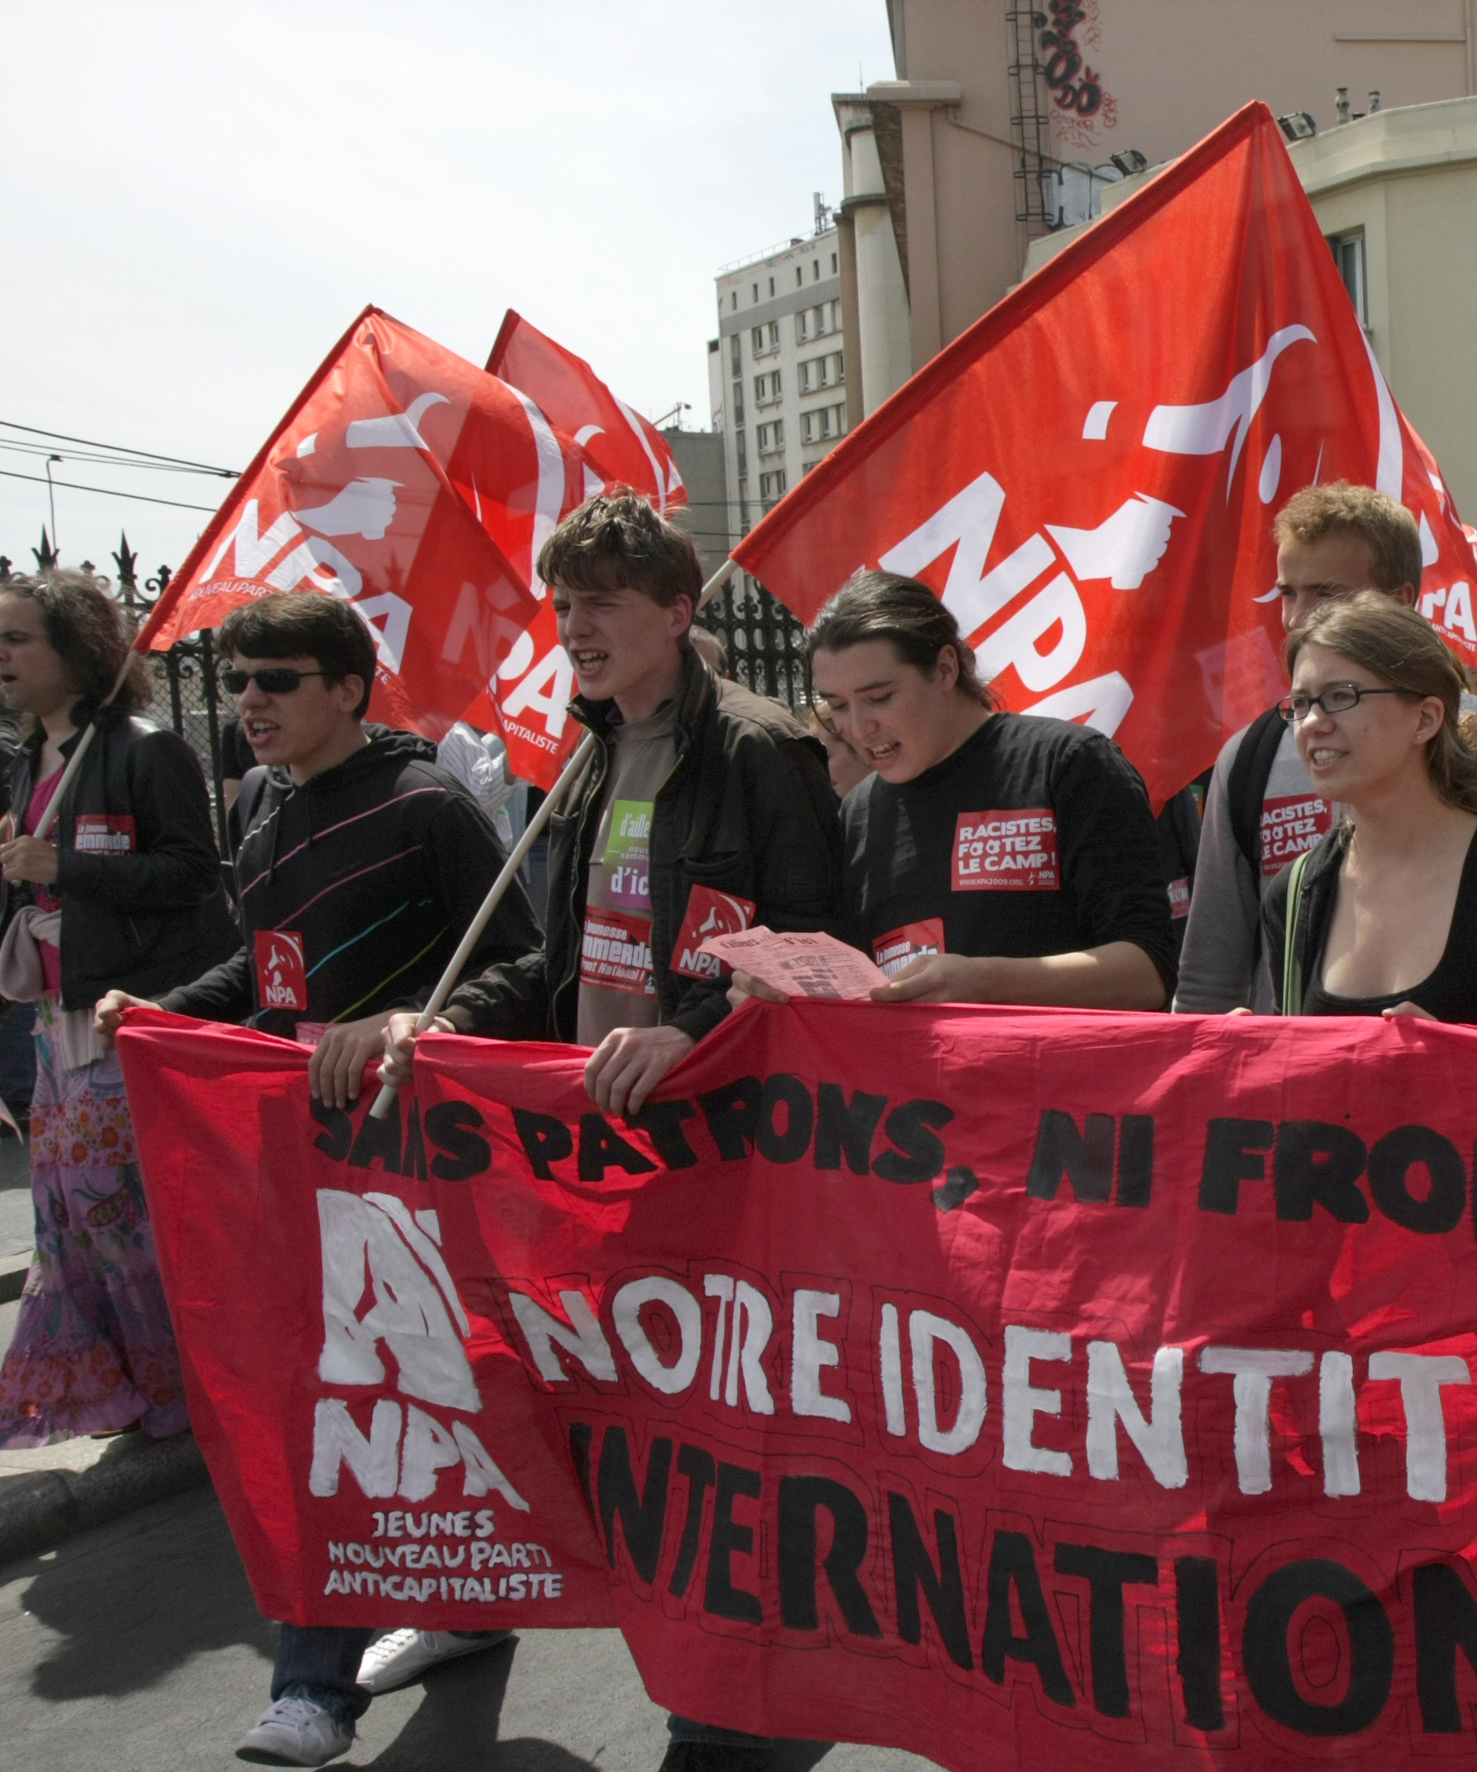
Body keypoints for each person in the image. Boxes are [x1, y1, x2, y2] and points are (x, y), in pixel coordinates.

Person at [376, 492, 839, 1772]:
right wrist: (444, 1021)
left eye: (602, 604)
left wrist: (692, 1029)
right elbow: (556, 960)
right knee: (633, 1431)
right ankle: (714, 1675)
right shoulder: (586, 756)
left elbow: (813, 951)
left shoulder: (759, 750)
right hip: (602, 1157)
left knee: (724, 1432)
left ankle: (728, 1706)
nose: (575, 627)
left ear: (679, 612)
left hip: (725, 1155)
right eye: (564, 604)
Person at [92, 591, 540, 1767]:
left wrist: (407, 1020)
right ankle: (442, 1611)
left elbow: (522, 962)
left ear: (348, 688)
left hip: (411, 1163)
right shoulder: (258, 806)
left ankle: (316, 1689)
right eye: (239, 678)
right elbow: (268, 971)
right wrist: (161, 1011)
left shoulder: (425, 803)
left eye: (278, 678)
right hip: (298, 1161)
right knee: (357, 1402)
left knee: (371, 1401)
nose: (250, 700)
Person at [0, 570, 232, 1448]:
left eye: (17, 638)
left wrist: (66, 868)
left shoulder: (145, 749)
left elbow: (195, 875)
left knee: (115, 1210)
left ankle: (181, 1388)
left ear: (76, 648)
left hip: (123, 1014)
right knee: (64, 1214)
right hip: (52, 1020)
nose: (1, 656)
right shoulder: (26, 762)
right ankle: (116, 1389)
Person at [1174, 483, 1477, 1011]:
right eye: (1287, 593)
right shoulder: (1249, 759)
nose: (1298, 617)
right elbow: (1208, 977)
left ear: (1400, 602)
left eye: (1326, 594)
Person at [775, 570, 1175, 1009]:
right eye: (837, 706)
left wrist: (986, 982)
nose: (857, 728)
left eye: (880, 697)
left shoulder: (1068, 764)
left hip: (1063, 1055)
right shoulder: (858, 813)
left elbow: (1149, 972)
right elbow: (855, 985)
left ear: (945, 668)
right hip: (913, 1057)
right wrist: (786, 991)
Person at [1261, 595, 1477, 1029]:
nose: (1312, 722)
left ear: (1425, 719)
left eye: (1341, 696)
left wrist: (1457, 1060)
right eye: (1300, 703)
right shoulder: (1295, 896)